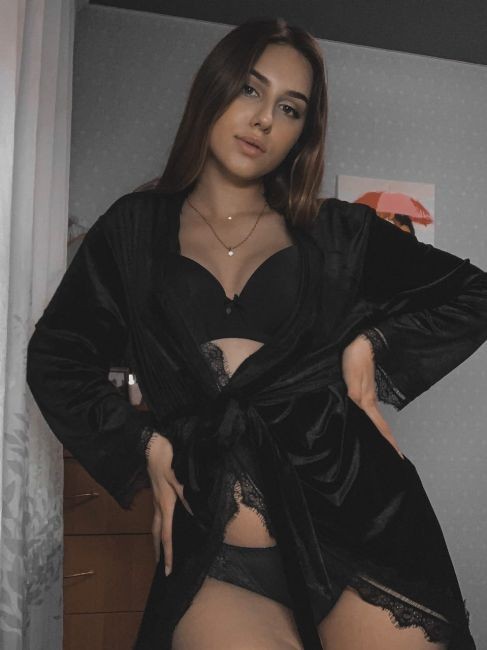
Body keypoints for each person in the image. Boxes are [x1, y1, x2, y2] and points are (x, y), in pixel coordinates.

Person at [26, 17, 487, 650]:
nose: (265, 119)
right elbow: (57, 356)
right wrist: (145, 444)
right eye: (250, 89)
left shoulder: (338, 233)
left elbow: (473, 293)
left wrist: (371, 347)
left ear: (303, 132)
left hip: (360, 532)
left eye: (289, 108)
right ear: (213, 89)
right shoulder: (132, 230)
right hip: (220, 553)